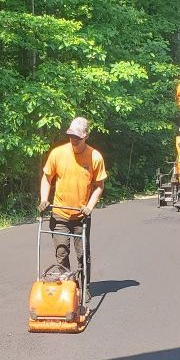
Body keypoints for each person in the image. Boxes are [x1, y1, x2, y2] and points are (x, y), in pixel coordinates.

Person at [39, 117, 107, 302]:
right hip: (60, 212)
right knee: (61, 252)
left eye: (77, 136)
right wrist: (44, 199)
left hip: (81, 216)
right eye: (70, 136)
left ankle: (84, 286)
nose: (73, 139)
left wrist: (90, 206)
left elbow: (99, 185)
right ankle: (69, 287)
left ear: (85, 135)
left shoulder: (95, 157)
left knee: (83, 254)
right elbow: (47, 178)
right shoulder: (57, 154)